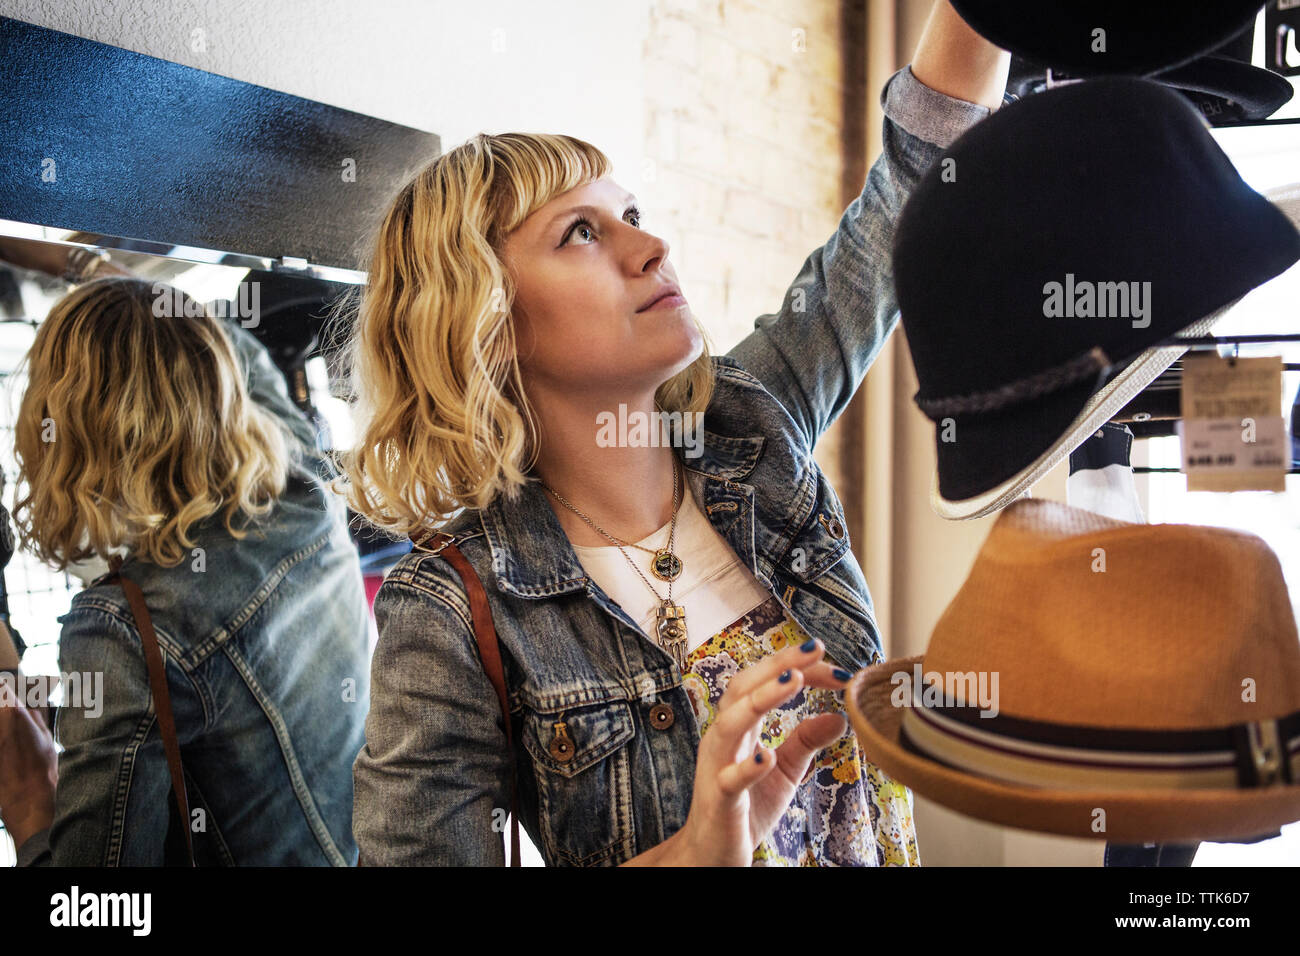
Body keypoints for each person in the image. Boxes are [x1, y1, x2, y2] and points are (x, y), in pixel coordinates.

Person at [340, 0, 1009, 865]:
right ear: (486, 323)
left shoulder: (752, 422)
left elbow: (916, 178)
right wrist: (692, 854)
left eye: (632, 211)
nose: (650, 244)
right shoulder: (449, 613)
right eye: (581, 233)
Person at [0, 273, 371, 865]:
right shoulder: (304, 491)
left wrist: (30, 809)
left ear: (61, 433)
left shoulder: (126, 631)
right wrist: (135, 307)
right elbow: (231, 357)